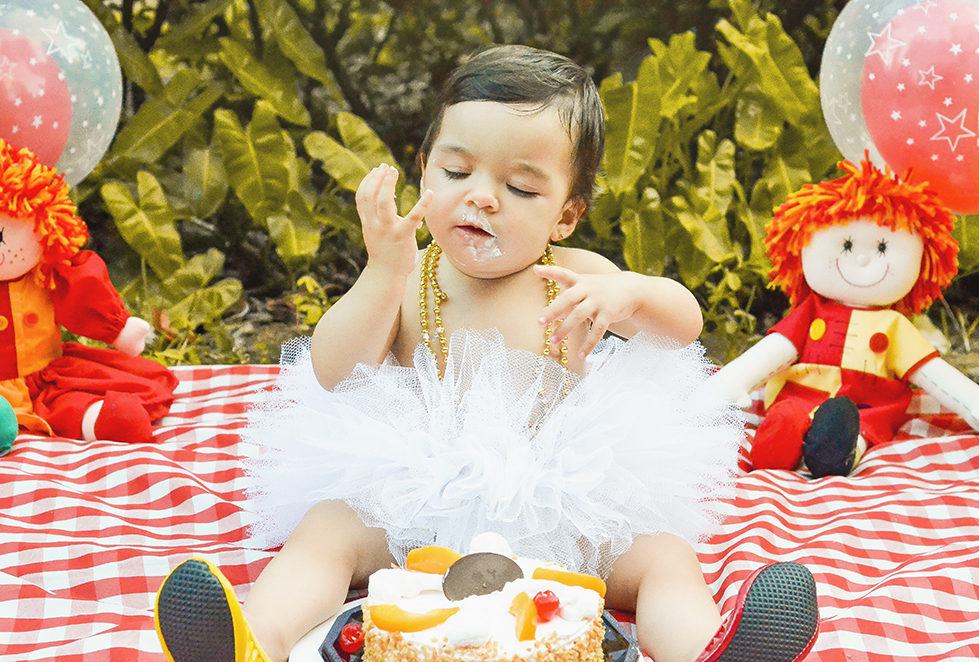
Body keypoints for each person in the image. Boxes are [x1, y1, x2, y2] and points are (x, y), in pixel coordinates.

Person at [154, 45, 819, 662]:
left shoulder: (576, 271)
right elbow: (335, 373)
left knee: (663, 558)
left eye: (522, 188)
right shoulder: (409, 277)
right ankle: (254, 637)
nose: (481, 195)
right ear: (425, 171)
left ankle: (705, 647)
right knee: (327, 532)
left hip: (564, 501)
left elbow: (683, 325)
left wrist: (631, 294)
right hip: (416, 499)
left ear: (565, 214)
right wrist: (383, 271)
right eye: (456, 170)